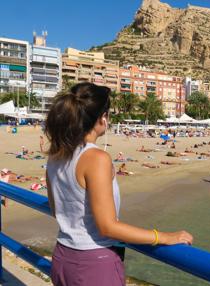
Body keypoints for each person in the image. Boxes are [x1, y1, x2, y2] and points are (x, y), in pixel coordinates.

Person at [44, 83, 193, 286]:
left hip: (62, 256)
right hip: (93, 264)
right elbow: (107, 227)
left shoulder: (56, 155)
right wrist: (164, 237)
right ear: (102, 118)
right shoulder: (96, 158)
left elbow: (56, 210)